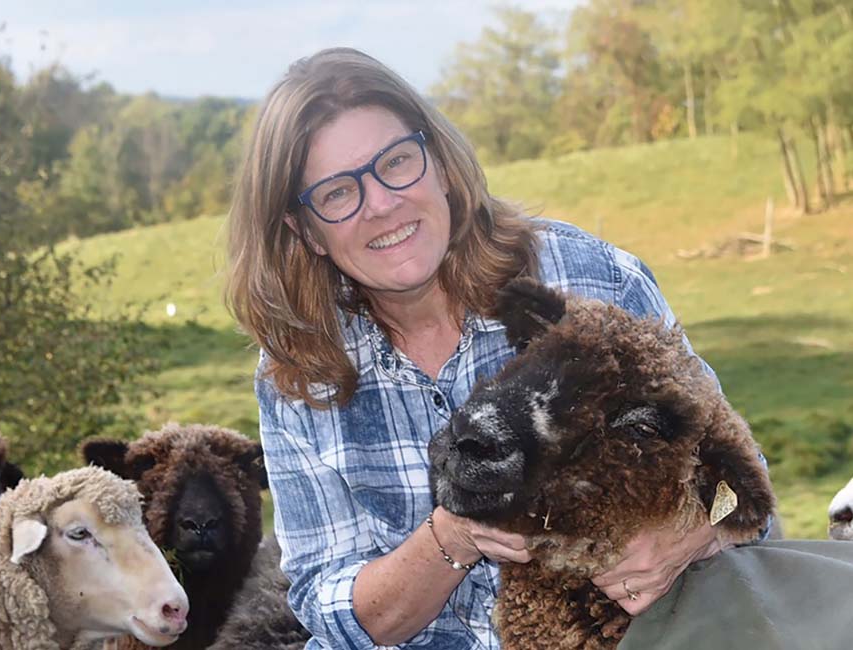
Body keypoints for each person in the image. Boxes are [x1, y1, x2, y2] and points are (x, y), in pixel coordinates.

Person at [225, 47, 763, 649]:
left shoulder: (592, 281)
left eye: (396, 162)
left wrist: (689, 534)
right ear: (306, 231)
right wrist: (451, 537)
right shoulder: (298, 373)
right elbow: (328, 606)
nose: (381, 204)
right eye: (336, 194)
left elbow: (740, 484)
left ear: (441, 165)